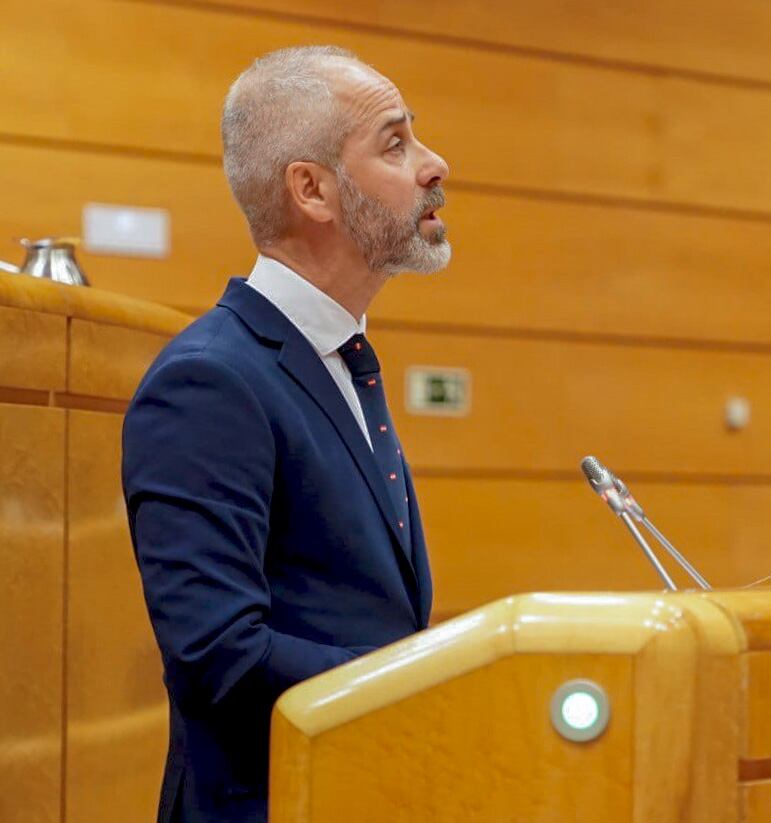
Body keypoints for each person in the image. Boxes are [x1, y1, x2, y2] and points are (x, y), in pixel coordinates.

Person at [121, 45, 450, 822]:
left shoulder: (339, 358)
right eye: (395, 144)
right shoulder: (211, 380)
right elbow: (218, 655)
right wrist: (433, 684)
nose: (435, 165)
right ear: (312, 190)